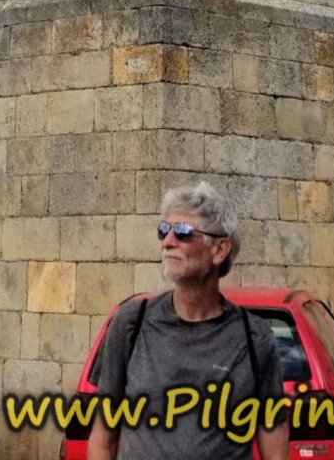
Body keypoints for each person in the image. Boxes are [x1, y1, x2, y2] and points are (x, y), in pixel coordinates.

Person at [87, 181, 288, 460]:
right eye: (164, 230)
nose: (168, 242)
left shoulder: (255, 338)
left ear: (219, 250)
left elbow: (275, 451)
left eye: (183, 232)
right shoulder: (131, 324)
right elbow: (101, 441)